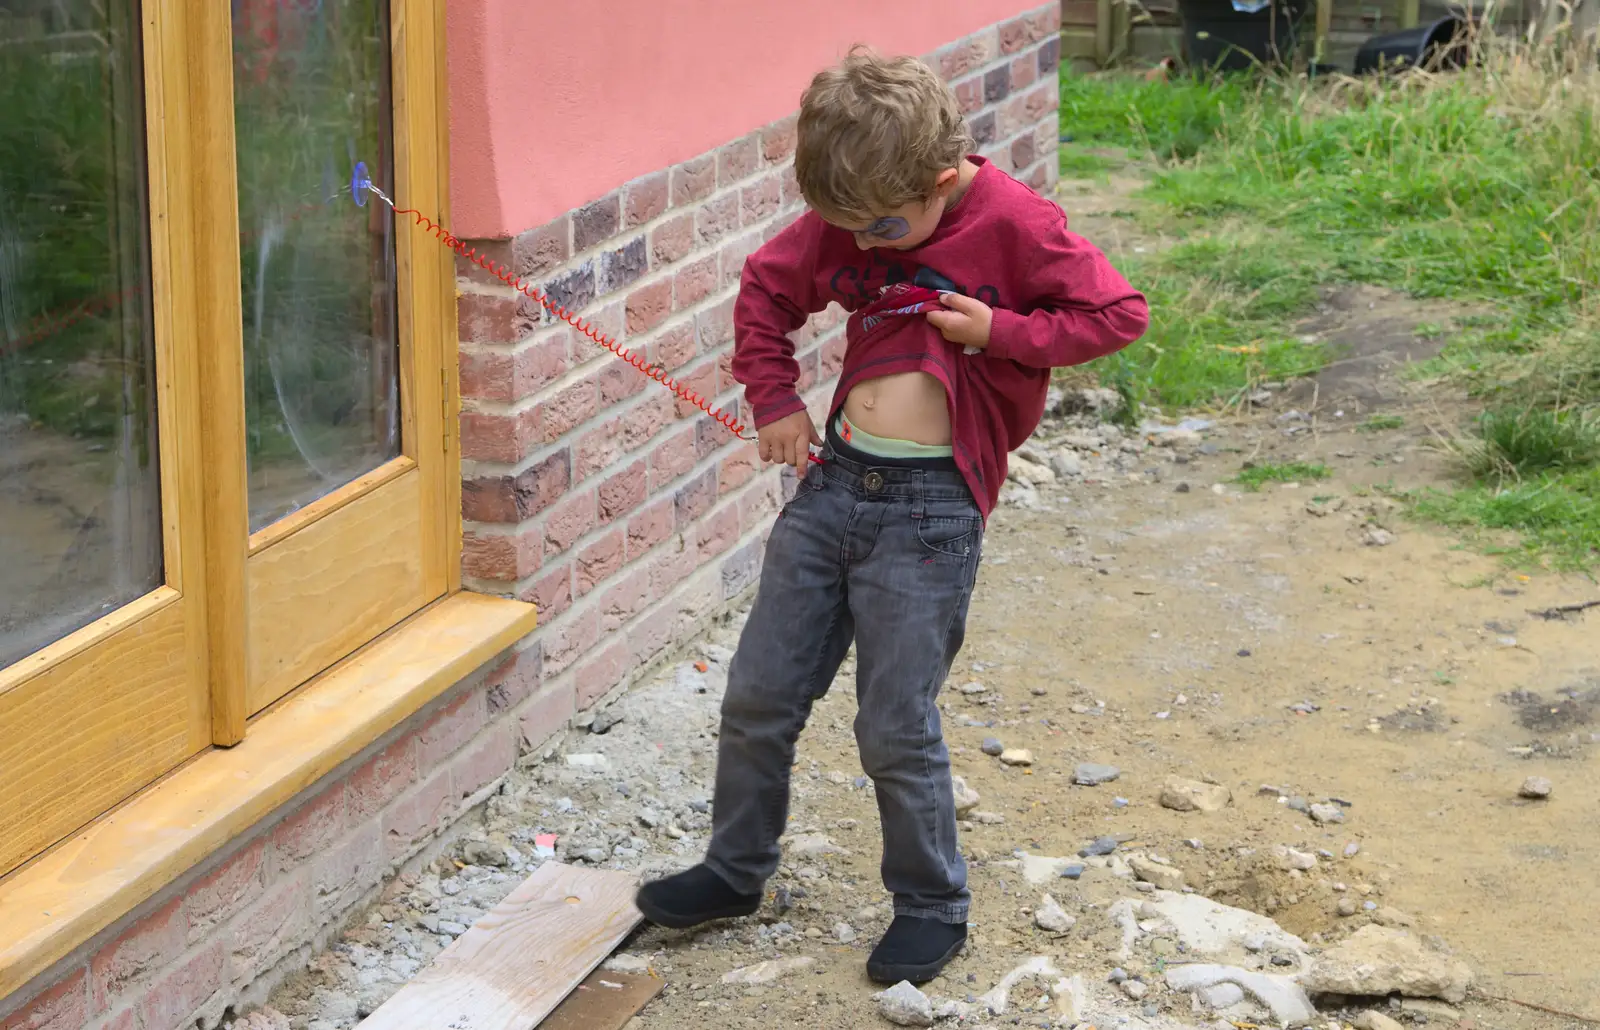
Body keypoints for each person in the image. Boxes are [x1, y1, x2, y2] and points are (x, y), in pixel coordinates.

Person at [634, 45, 1149, 985]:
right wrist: (776, 402)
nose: (862, 249)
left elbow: (1117, 314)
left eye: (881, 228)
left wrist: (1004, 333)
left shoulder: (1015, 223)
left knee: (893, 724)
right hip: (835, 489)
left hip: (931, 512)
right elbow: (766, 290)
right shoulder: (857, 209)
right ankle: (735, 869)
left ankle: (930, 904)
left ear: (942, 179)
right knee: (757, 695)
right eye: (844, 229)